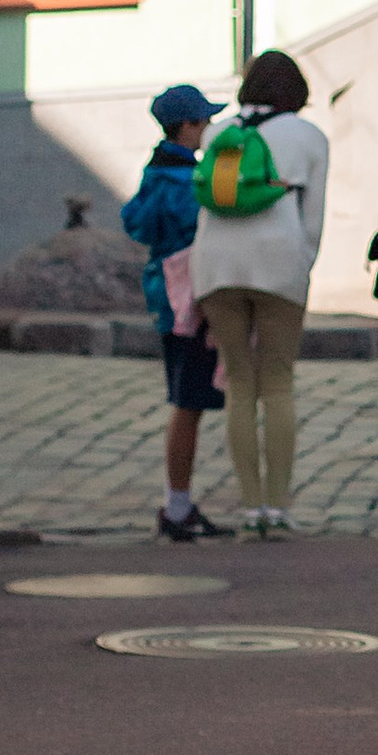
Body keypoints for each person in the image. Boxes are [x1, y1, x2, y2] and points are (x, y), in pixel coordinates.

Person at [189, 47, 330, 540]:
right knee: (278, 382)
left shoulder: (218, 132)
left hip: (214, 266)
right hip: (279, 265)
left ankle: (249, 505)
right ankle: (279, 503)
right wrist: (302, 266)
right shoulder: (309, 136)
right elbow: (312, 220)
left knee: (239, 385)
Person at [120, 80, 229, 543]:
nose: (207, 127)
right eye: (202, 120)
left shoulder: (154, 173)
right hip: (189, 299)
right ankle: (176, 506)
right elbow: (202, 230)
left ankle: (179, 503)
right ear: (185, 127)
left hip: (164, 296)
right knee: (187, 404)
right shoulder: (187, 180)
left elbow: (134, 222)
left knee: (186, 401)